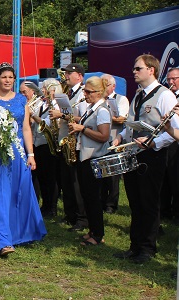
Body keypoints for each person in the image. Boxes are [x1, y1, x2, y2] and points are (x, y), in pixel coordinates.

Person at [0, 62, 46, 256]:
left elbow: (26, 128)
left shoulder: (22, 100)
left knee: (17, 193)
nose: (7, 80)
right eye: (4, 77)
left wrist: (30, 154)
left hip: (18, 154)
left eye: (11, 77)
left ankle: (17, 232)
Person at [112, 54, 179, 264]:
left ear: (151, 70)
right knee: (135, 202)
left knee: (149, 202)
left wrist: (154, 143)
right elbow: (131, 122)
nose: (134, 72)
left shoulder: (165, 95)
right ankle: (135, 246)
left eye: (138, 68)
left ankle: (148, 249)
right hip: (134, 153)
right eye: (134, 68)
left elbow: (174, 130)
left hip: (152, 156)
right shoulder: (139, 94)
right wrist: (121, 136)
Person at [68, 76, 111, 246]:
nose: (85, 94)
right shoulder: (92, 108)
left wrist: (83, 129)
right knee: (87, 195)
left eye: (88, 92)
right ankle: (93, 230)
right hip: (85, 157)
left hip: (95, 159)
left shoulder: (102, 110)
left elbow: (104, 136)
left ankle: (98, 234)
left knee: (93, 197)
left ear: (98, 93)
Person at [49, 63, 88, 232]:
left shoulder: (84, 92)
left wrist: (61, 115)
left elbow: (84, 117)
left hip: (77, 141)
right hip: (66, 140)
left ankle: (81, 217)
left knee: (76, 182)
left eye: (69, 74)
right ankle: (70, 214)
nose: (66, 76)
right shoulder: (67, 93)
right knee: (66, 181)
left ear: (79, 76)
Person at [28, 78, 61, 217]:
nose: (42, 91)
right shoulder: (41, 103)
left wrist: (32, 115)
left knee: (50, 178)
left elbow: (46, 124)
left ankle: (52, 207)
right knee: (41, 177)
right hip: (37, 143)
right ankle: (45, 205)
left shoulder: (56, 106)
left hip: (49, 145)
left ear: (53, 90)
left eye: (45, 89)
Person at [100, 74, 130, 214]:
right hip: (101, 139)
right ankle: (102, 199)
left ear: (113, 86)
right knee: (101, 172)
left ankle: (111, 204)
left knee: (113, 175)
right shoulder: (100, 99)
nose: (104, 87)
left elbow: (121, 119)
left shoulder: (121, 99)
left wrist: (102, 115)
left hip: (114, 138)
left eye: (106, 84)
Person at [160, 67, 179, 221]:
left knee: (175, 177)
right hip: (167, 138)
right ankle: (165, 209)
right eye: (169, 79)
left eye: (175, 79)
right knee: (166, 176)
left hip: (176, 141)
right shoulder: (166, 95)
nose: (171, 82)